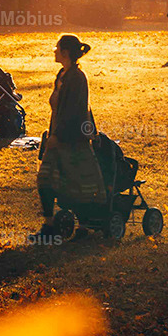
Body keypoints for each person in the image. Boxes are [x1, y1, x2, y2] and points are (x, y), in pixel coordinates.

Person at [36, 35, 106, 234]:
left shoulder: (77, 78)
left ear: (65, 53)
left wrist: (57, 136)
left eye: (57, 48)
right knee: (46, 179)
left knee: (78, 185)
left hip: (72, 139)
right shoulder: (62, 75)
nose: (54, 51)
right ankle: (50, 226)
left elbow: (74, 111)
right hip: (58, 136)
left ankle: (84, 227)